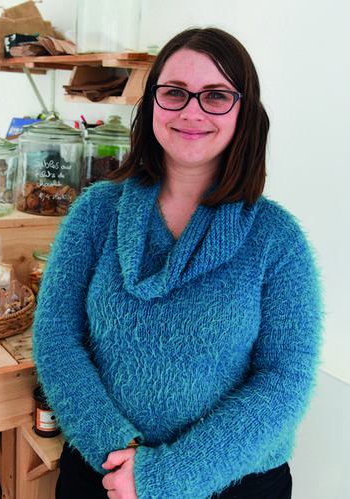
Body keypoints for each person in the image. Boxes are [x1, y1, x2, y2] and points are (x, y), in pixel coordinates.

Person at [32, 26, 323, 499]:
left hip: (232, 483)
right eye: (174, 93)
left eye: (216, 95)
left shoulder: (277, 239)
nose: (191, 111)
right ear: (151, 106)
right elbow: (57, 336)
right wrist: (117, 450)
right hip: (104, 471)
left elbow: (284, 381)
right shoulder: (97, 212)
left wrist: (166, 475)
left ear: (244, 111)